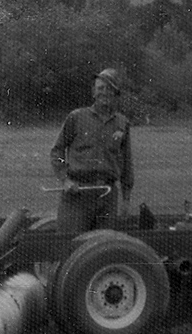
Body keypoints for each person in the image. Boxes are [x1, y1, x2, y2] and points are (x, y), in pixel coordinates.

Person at [50, 68, 134, 234]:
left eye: (109, 89)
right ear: (93, 92)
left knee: (102, 251)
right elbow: (57, 152)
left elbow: (126, 163)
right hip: (77, 196)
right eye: (100, 88)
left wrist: (125, 199)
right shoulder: (76, 118)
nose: (104, 93)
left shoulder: (122, 123)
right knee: (71, 249)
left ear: (116, 94)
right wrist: (65, 179)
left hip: (107, 197)